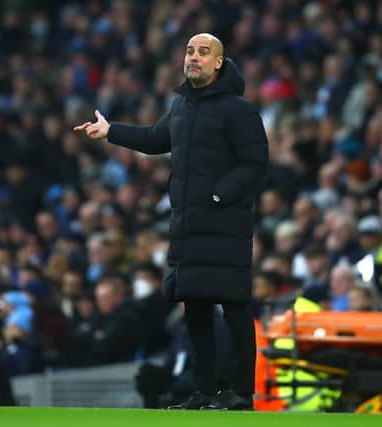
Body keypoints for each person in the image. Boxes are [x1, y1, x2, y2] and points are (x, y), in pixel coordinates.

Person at [74, 33, 269, 410]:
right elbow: (153, 138)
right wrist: (111, 131)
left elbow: (256, 164)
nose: (194, 57)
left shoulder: (239, 110)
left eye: (203, 52)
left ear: (218, 63)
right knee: (194, 309)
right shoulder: (181, 107)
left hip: (225, 226)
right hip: (188, 227)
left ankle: (241, 393)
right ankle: (204, 391)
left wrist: (218, 195)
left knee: (235, 308)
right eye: (190, 51)